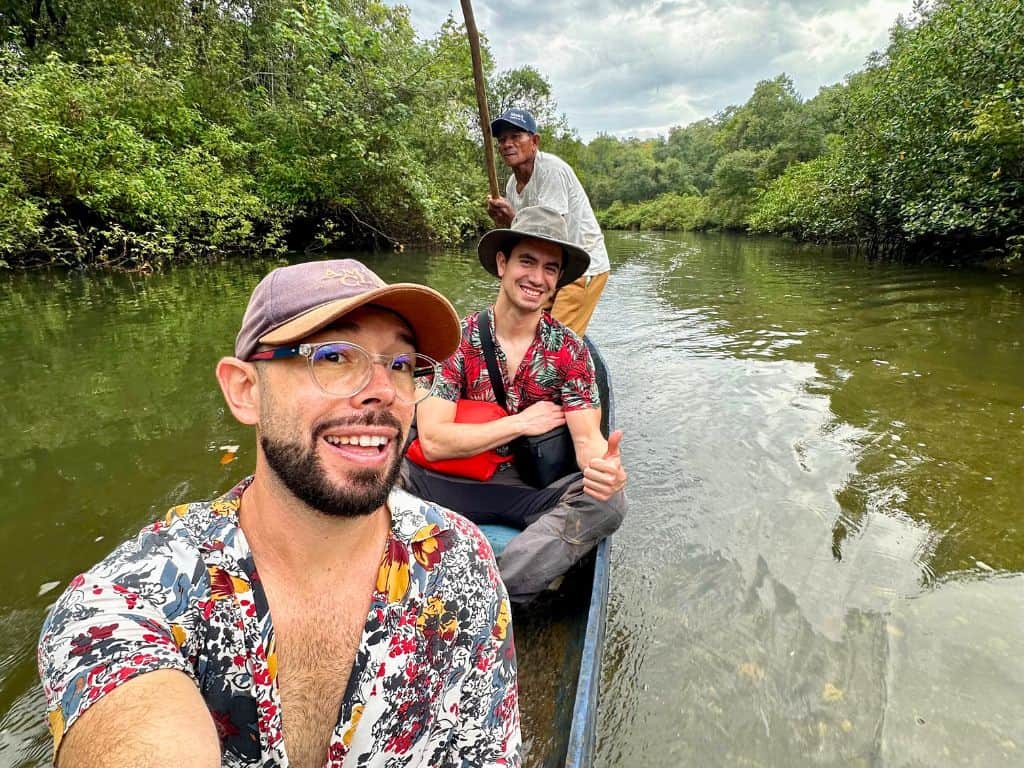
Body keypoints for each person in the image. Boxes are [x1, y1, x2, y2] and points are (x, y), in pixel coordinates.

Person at [37, 259, 521, 768]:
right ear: (245, 391)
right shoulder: (133, 597)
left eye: (401, 365)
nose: (383, 390)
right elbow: (134, 730)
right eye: (334, 356)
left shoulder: (459, 561)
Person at [405, 206, 627, 605]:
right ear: (503, 264)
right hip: (445, 482)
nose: (537, 278)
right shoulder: (456, 339)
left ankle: (487, 599)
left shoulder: (570, 351)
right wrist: (520, 423)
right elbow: (434, 441)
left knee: (607, 504)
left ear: (557, 281)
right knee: (376, 466)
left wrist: (603, 470)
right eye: (527, 261)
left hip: (525, 491)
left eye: (550, 269)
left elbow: (586, 440)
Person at [486, 108, 611, 337]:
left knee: (555, 341)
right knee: (524, 325)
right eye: (502, 139)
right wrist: (503, 222)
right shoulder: (513, 185)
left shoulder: (551, 171)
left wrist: (512, 217)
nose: (507, 144)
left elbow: (549, 237)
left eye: (516, 136)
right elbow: (524, 240)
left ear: (534, 141)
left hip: (582, 267)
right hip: (547, 266)